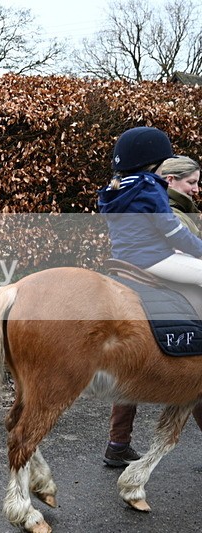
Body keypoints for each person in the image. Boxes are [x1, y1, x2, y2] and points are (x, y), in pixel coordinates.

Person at [104, 154, 202, 466]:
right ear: (167, 176)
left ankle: (118, 443)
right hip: (154, 261)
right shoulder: (154, 188)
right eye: (192, 182)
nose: (196, 189)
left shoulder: (118, 187)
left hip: (126, 260)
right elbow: (177, 236)